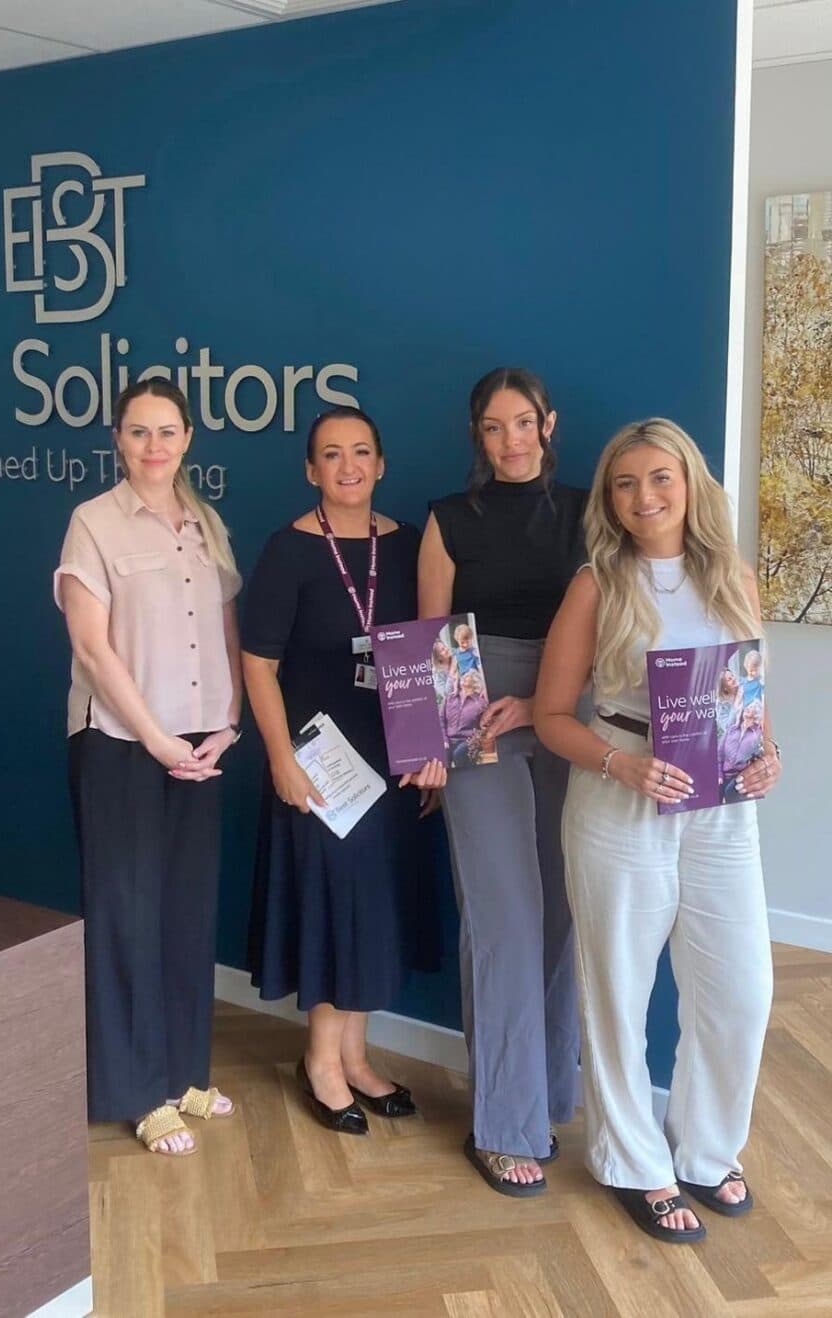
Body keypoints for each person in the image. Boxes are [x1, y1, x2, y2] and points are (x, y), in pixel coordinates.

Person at [534, 417, 780, 1244]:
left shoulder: (733, 578)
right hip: (619, 799)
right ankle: (636, 1164)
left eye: (660, 478)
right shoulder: (596, 585)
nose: (645, 497)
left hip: (721, 807)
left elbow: (748, 699)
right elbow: (548, 717)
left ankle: (709, 1152)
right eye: (626, 483)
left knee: (741, 992)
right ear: (609, 498)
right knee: (617, 990)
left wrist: (767, 755)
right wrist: (622, 764)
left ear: (690, 482)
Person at [55, 379, 243, 1157]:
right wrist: (157, 738)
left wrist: (227, 725)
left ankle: (182, 1072)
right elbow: (93, 649)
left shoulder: (205, 524)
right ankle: (137, 1092)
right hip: (121, 747)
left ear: (189, 437)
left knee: (186, 910)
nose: (154, 446)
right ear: (117, 439)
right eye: (139, 432)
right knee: (127, 914)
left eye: (167, 431)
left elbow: (227, 628)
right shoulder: (92, 525)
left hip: (200, 745)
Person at [243, 406, 444, 1134]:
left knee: (375, 907)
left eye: (362, 451)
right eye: (332, 454)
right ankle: (321, 1062)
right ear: (311, 469)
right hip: (320, 763)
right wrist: (280, 760)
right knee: (333, 907)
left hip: (393, 761)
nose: (348, 466)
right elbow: (257, 666)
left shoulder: (412, 545)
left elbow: (431, 650)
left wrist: (432, 753)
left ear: (382, 464)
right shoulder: (288, 550)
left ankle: (357, 1058)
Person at [418, 366, 587, 1196]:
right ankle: (503, 1124)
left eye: (524, 423)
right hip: (474, 720)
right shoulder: (449, 520)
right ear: (477, 435)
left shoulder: (594, 513)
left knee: (562, 916)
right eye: (494, 427)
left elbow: (616, 628)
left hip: (570, 709)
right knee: (505, 921)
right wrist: (428, 748)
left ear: (548, 424)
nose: (511, 440)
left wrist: (547, 702)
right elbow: (428, 643)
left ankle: (550, 1094)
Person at [442, 669, 488, 767]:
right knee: (442, 756)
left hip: (467, 741)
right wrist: (444, 740)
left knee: (459, 754)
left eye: (469, 676)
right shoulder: (449, 698)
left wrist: (473, 742)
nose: (465, 677)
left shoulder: (480, 703)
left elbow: (484, 728)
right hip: (448, 740)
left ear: (474, 682)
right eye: (465, 675)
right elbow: (441, 721)